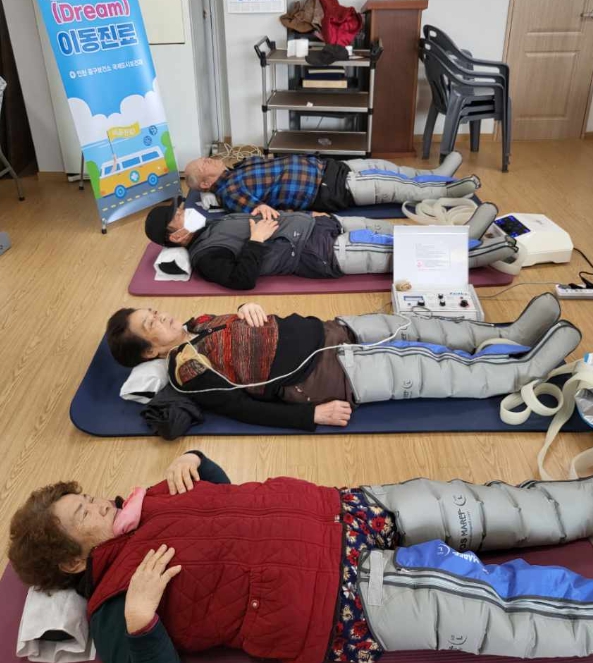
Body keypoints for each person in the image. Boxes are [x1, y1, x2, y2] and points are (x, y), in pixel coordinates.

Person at [9, 449, 593, 663]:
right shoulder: (113, 607)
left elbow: (224, 492)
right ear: (72, 561)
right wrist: (141, 625)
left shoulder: (147, 501)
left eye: (86, 497)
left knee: (480, 506)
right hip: (337, 598)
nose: (100, 503)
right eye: (84, 514)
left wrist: (195, 461)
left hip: (340, 510)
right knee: (489, 604)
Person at [105, 293, 578, 432]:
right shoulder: (186, 372)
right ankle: (524, 371)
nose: (161, 317)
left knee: (419, 326)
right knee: (430, 370)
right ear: (151, 352)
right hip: (323, 377)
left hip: (331, 329)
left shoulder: (199, 321)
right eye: (151, 324)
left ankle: (508, 336)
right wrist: (311, 416)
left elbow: (248, 323)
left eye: (153, 312)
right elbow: (244, 409)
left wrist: (248, 308)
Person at [144, 198, 519, 290]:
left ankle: (465, 238)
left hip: (321, 225)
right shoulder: (207, 254)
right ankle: (483, 250)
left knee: (394, 231)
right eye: (179, 215)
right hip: (319, 253)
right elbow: (241, 280)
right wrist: (257, 239)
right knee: (406, 253)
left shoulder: (213, 224)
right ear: (177, 237)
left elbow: (256, 222)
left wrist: (279, 213)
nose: (186, 210)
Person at [183, 151, 480, 217]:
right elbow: (264, 214)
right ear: (206, 184)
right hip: (329, 189)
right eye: (203, 165)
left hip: (330, 168)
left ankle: (436, 174)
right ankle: (447, 190)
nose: (208, 160)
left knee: (390, 168)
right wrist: (308, 215)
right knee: (395, 186)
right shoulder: (230, 191)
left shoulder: (236, 170)